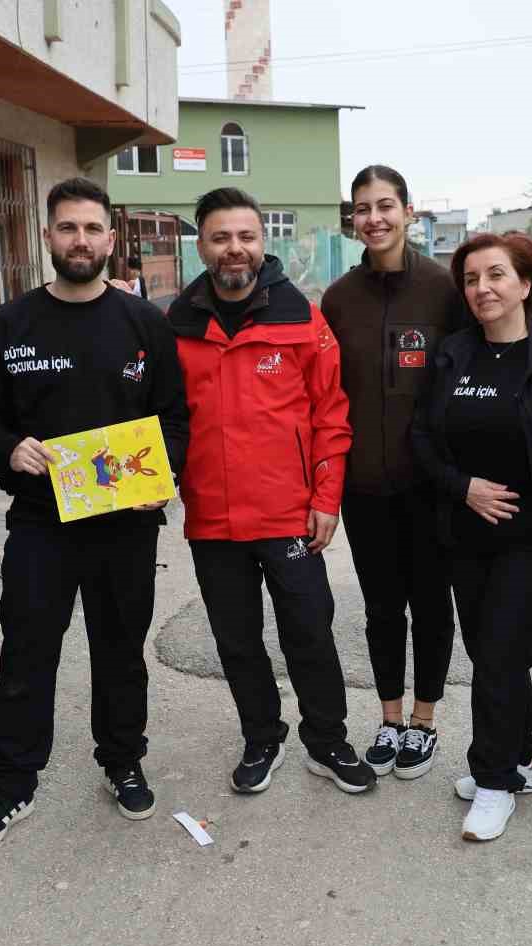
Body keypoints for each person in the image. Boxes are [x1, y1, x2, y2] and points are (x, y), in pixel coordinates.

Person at [0, 178, 188, 848]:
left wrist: (164, 477)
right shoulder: (10, 325)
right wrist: (8, 449)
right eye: (67, 228)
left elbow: (174, 417)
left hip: (126, 527)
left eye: (92, 229)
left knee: (120, 652)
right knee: (28, 654)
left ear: (110, 240)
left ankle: (122, 761)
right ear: (47, 236)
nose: (80, 240)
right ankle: (11, 783)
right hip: (40, 524)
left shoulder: (144, 324)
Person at [166, 187, 376, 795]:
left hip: (290, 515)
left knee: (309, 632)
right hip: (212, 517)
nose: (234, 248)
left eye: (246, 236)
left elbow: (331, 415)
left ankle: (327, 740)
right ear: (202, 245)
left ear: (263, 242)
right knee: (236, 640)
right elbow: (160, 417)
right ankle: (262, 735)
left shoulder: (303, 319)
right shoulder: (176, 324)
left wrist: (326, 499)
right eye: (220, 237)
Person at [412, 232, 532, 841]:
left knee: (499, 657)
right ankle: (522, 755)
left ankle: (493, 781)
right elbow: (422, 438)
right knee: (497, 655)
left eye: (495, 275)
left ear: (526, 284)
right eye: (470, 279)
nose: (482, 288)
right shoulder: (453, 354)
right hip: (465, 536)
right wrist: (463, 488)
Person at [320, 165, 460, 779]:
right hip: (364, 486)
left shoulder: (443, 290)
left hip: (430, 485)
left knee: (430, 603)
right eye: (362, 208)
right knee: (381, 607)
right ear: (352, 218)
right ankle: (389, 718)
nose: (373, 218)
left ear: (408, 211)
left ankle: (424, 723)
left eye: (384, 205)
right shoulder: (338, 299)